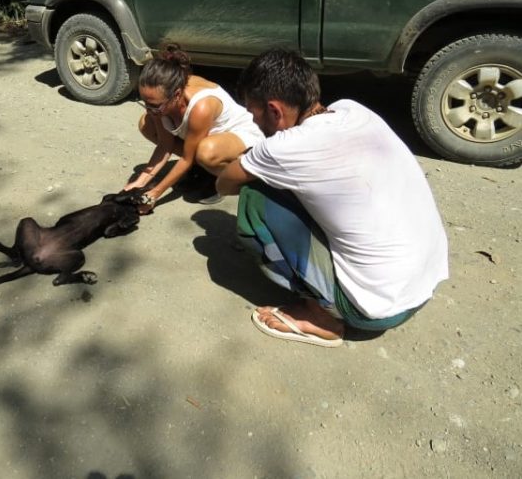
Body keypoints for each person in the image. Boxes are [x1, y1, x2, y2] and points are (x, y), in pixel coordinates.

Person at [217, 48, 449, 347]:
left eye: (253, 112)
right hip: (420, 287)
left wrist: (252, 162)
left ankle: (322, 316)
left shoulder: (283, 148)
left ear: (274, 111)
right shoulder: (354, 110)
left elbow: (225, 184)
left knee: (254, 195)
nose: (254, 122)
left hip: (370, 310)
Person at [124, 46, 264, 212]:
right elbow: (164, 146)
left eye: (154, 106)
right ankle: (203, 170)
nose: (149, 109)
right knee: (146, 124)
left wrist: (154, 194)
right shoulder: (162, 98)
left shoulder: (201, 106)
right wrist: (140, 182)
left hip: (242, 135)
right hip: (206, 135)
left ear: (176, 95)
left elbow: (186, 158)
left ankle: (233, 180)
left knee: (205, 152)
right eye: (145, 102)